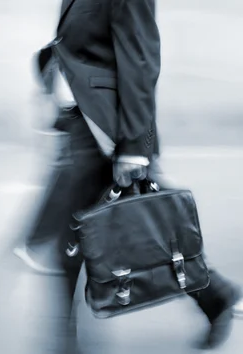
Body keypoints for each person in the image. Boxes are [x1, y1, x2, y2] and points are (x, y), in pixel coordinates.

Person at [13, 0, 241, 352]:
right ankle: (215, 296)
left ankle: (62, 343)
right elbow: (84, 40)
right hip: (82, 122)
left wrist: (135, 146)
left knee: (121, 231)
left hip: (108, 129)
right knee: (142, 229)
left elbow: (140, 59)